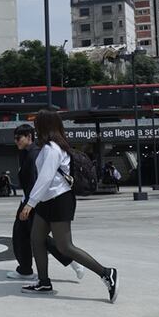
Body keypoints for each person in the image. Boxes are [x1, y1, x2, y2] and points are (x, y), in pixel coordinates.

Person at [18, 111, 118, 301]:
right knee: (36, 239)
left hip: (59, 199)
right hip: (48, 200)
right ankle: (44, 282)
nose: (35, 128)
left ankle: (106, 273)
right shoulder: (50, 147)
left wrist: (30, 203)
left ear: (44, 126)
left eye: (37, 124)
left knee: (65, 246)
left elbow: (46, 177)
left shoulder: (52, 149)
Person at [8, 123, 85, 282]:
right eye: (15, 139)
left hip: (34, 202)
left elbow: (40, 180)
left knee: (41, 239)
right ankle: (25, 269)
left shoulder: (35, 153)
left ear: (29, 137)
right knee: (21, 235)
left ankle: (72, 261)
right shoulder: (26, 153)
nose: (16, 142)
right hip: (29, 200)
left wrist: (30, 204)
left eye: (18, 138)